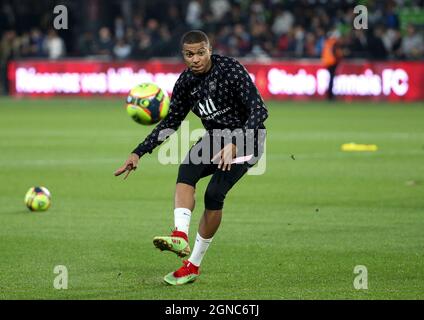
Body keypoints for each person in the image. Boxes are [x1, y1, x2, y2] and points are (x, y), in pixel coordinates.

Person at [114, 30, 268, 285]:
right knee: (187, 167)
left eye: (200, 53)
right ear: (183, 55)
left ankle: (193, 265)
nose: (195, 59)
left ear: (210, 50)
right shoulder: (186, 82)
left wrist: (236, 142)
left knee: (213, 195)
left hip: (248, 139)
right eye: (189, 54)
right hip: (216, 137)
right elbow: (171, 122)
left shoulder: (230, 69)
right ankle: (180, 237)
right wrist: (138, 151)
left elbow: (259, 109)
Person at [321, 29, 344, 101]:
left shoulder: (327, 42)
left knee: (331, 79)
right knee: (331, 79)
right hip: (333, 62)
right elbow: (337, 53)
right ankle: (330, 95)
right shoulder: (334, 43)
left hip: (327, 62)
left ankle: (329, 95)